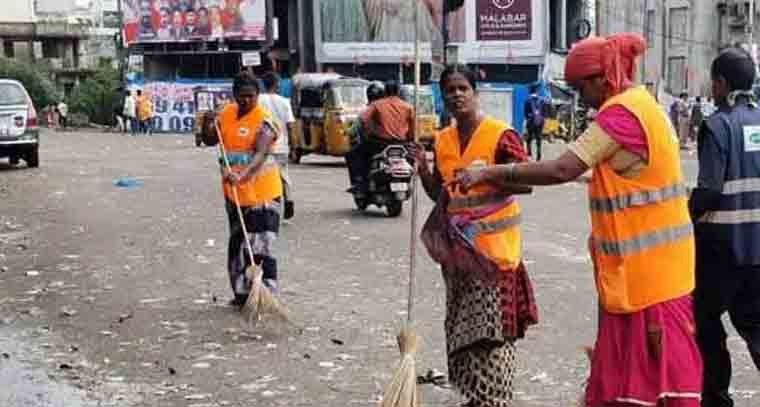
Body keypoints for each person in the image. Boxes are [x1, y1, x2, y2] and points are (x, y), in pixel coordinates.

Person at [453, 34, 703, 407]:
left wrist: (489, 173)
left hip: (647, 281)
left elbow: (561, 168)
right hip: (650, 276)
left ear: (602, 78)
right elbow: (620, 173)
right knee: (639, 388)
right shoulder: (645, 105)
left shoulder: (621, 114)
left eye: (581, 87)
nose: (580, 97)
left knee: (648, 391)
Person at [412, 65, 538, 407]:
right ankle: (472, 397)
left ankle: (494, 400)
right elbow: (441, 194)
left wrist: (486, 175)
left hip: (495, 256)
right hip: (458, 257)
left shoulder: (501, 135)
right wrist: (423, 169)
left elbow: (527, 182)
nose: (456, 95)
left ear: (475, 92)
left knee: (492, 335)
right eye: (449, 90)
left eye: (462, 88)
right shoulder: (443, 140)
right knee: (462, 332)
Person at [689, 47, 760, 407]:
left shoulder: (718, 124)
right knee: (756, 326)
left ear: (721, 83)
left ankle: (716, 399)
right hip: (757, 249)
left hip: (721, 248)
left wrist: (686, 211)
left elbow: (710, 190)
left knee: (705, 323)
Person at [210, 71, 283, 306]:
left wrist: (242, 176)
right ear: (234, 95)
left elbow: (261, 154)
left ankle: (265, 296)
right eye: (242, 96)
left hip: (263, 194)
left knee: (261, 248)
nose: (246, 100)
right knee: (238, 246)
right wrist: (207, 123)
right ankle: (242, 294)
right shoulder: (226, 114)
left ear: (258, 95)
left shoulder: (265, 122)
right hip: (234, 195)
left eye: (251, 96)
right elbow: (210, 138)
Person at [346, 80, 414, 196]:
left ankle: (360, 184)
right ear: (398, 91)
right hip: (402, 144)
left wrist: (352, 132)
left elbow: (362, 120)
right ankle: (407, 180)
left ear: (385, 91)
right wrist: (409, 140)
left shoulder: (377, 105)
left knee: (353, 154)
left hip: (379, 144)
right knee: (412, 156)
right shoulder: (408, 107)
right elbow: (413, 130)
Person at [257, 72, 296, 221]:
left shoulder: (258, 100)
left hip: (263, 146)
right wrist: (293, 145)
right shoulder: (284, 101)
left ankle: (268, 205)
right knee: (283, 174)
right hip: (281, 145)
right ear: (276, 84)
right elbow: (290, 125)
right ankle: (289, 199)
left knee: (263, 175)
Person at [524, 86, 546, 161]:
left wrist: (528, 119)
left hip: (531, 122)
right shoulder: (542, 100)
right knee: (538, 138)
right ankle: (539, 154)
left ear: (530, 92)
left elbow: (526, 113)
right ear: (537, 92)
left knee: (529, 138)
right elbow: (544, 113)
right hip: (540, 122)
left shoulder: (528, 101)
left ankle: (529, 153)